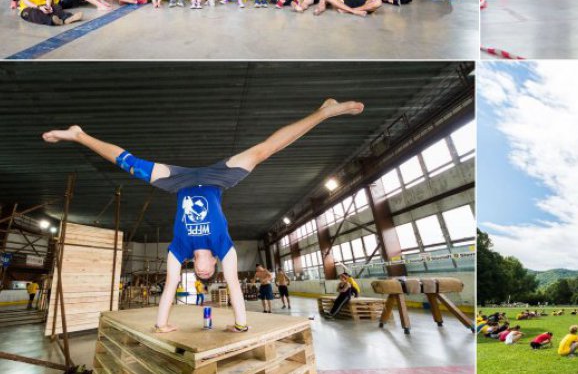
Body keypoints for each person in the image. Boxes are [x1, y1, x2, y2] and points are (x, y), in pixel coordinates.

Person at [42, 98, 365, 333]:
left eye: (203, 274)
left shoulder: (178, 250)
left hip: (177, 181)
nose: (206, 273)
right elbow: (236, 289)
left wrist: (161, 323)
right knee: (265, 150)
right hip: (217, 179)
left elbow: (169, 287)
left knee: (129, 163)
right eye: (210, 274)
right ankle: (325, 112)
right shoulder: (223, 245)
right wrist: (241, 324)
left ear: (196, 267)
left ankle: (78, 134)